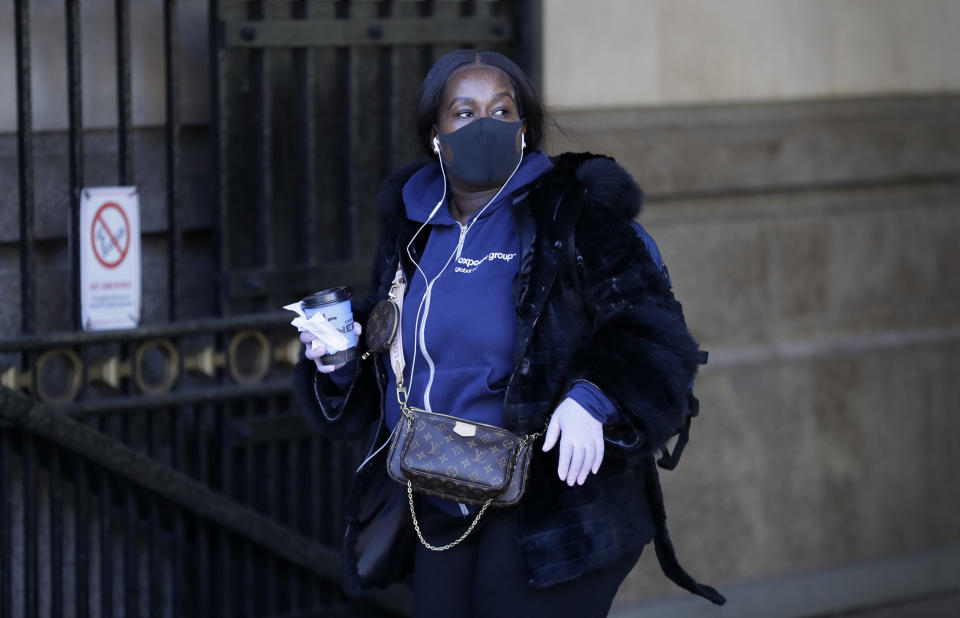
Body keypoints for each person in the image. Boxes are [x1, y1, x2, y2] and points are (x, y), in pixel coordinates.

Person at [291, 49, 724, 617]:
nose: (485, 125)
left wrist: (595, 399)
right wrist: (340, 362)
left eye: (501, 110)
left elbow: (654, 329)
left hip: (548, 509)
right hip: (438, 488)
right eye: (464, 113)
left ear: (524, 128)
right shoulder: (413, 226)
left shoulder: (573, 214)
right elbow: (393, 365)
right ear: (435, 135)